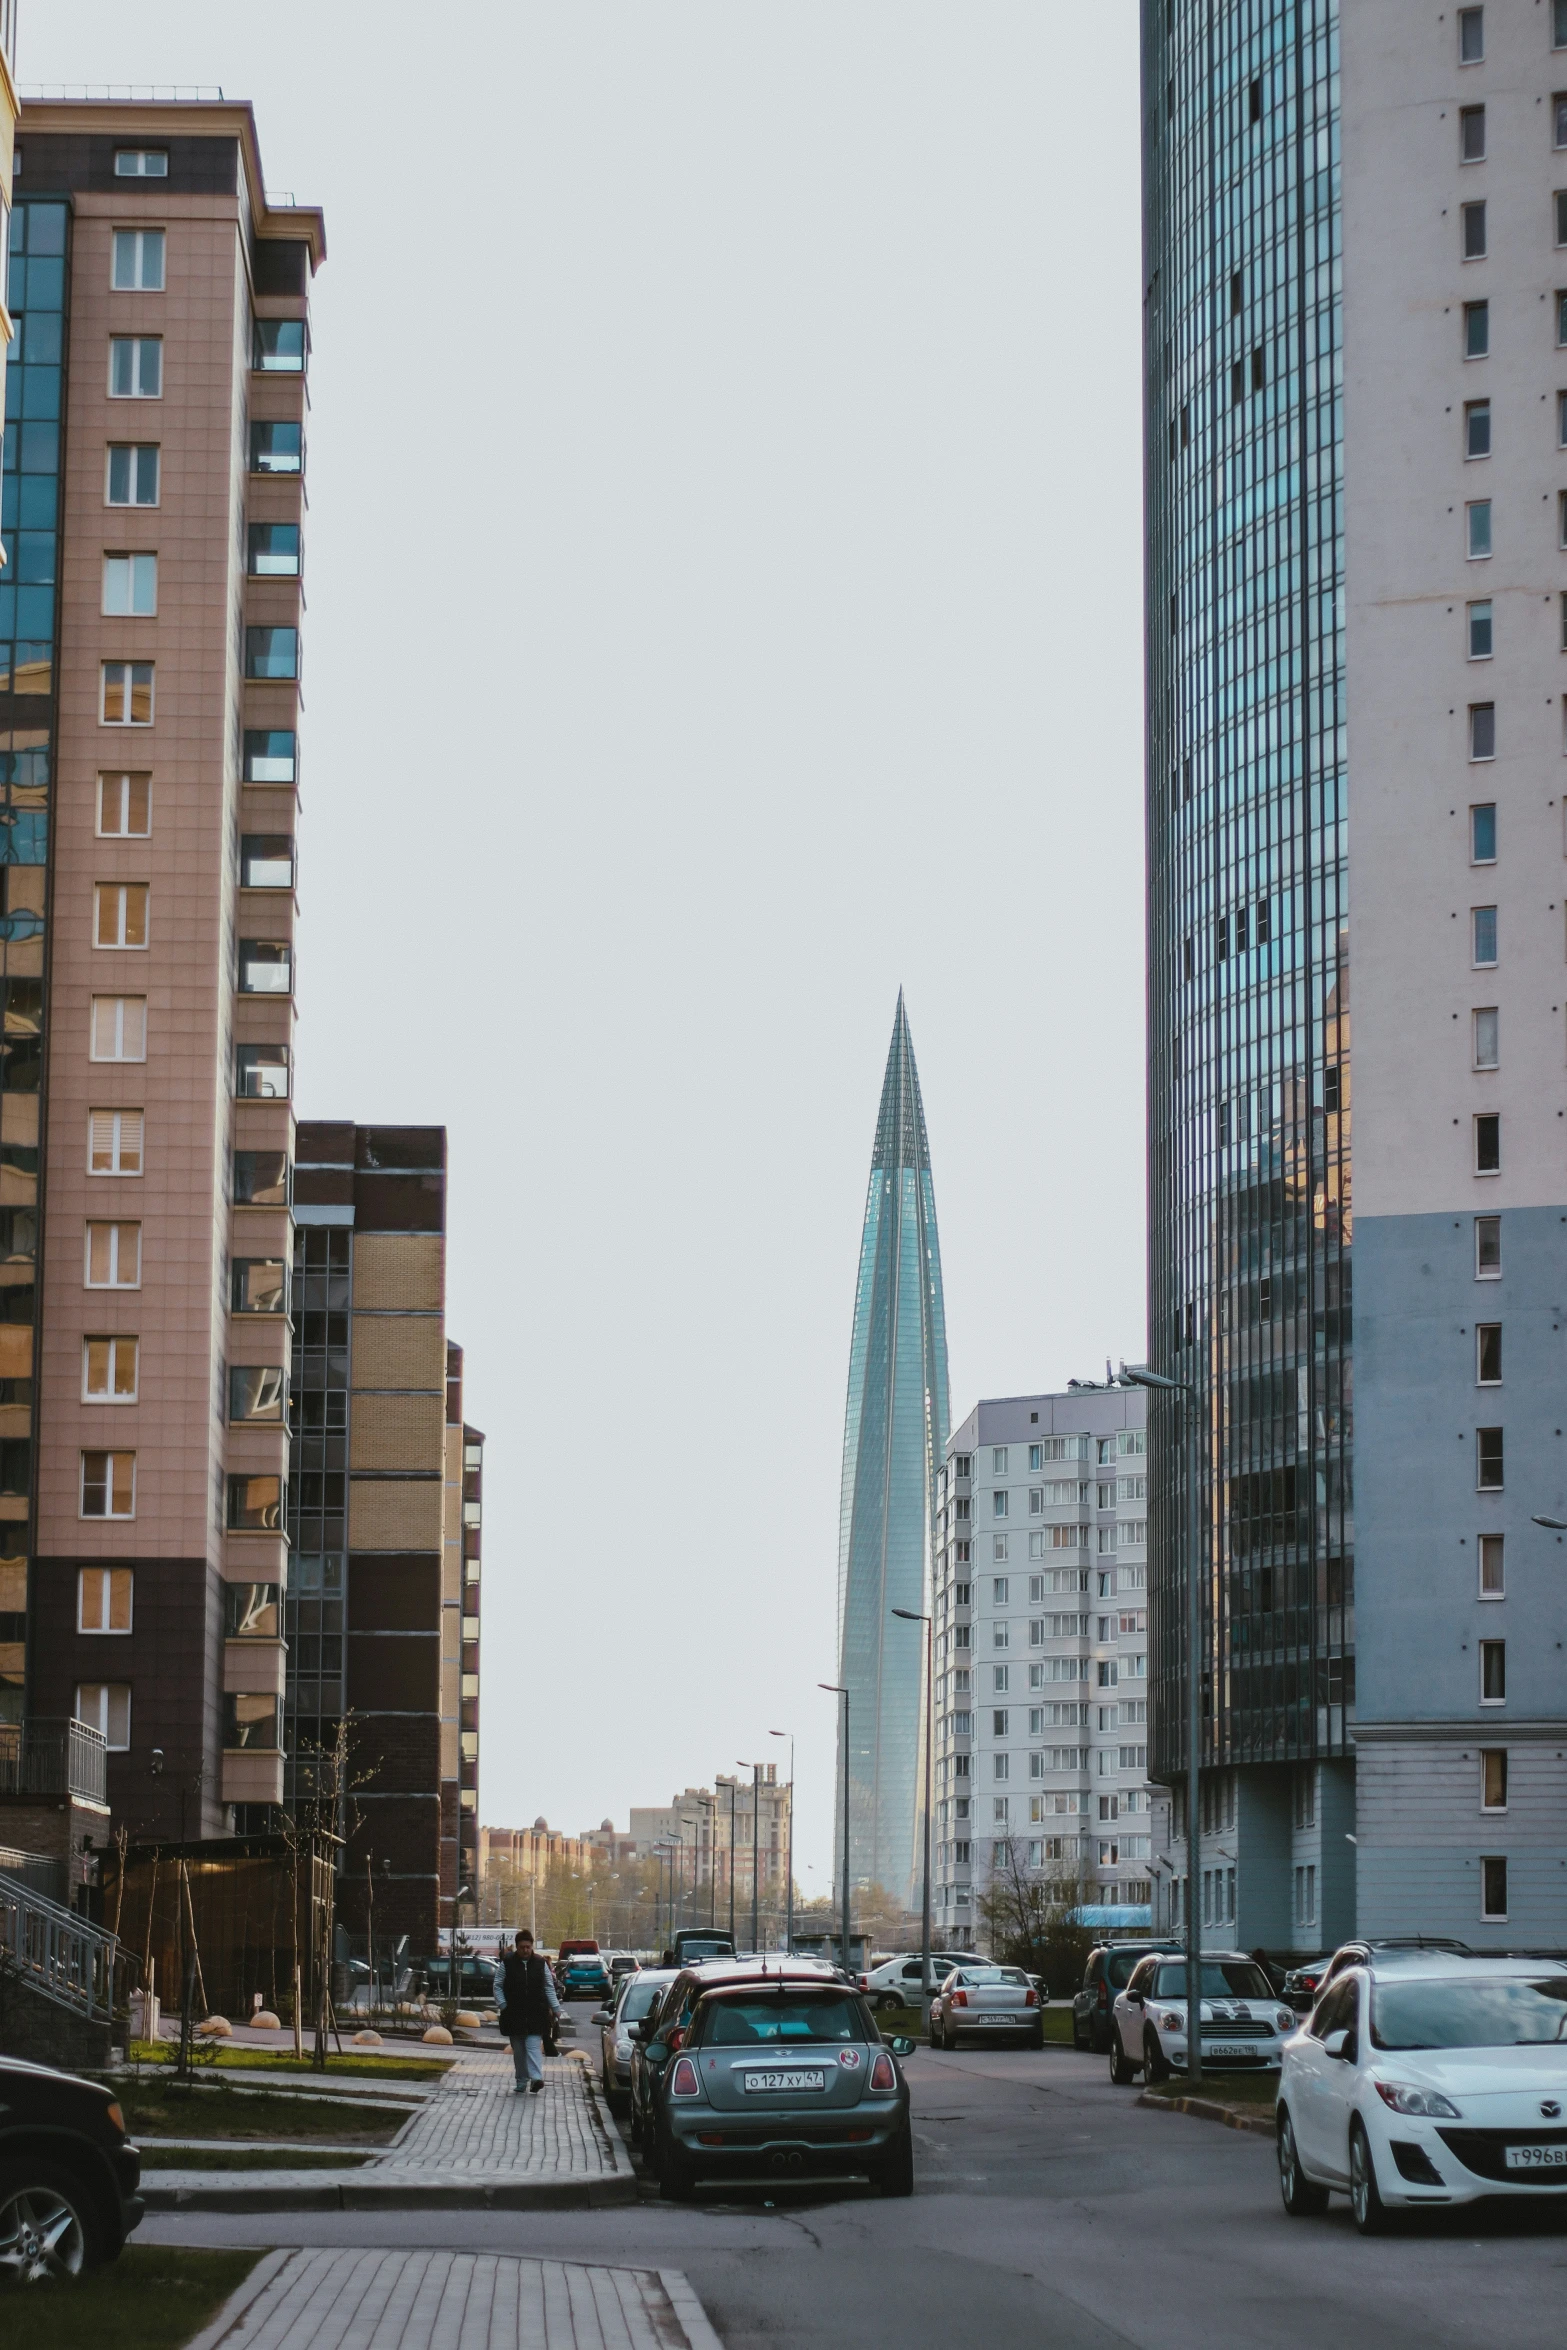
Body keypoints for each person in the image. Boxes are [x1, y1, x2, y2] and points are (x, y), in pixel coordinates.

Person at [498, 1929, 560, 2095]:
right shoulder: (507, 1963)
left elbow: (548, 1986)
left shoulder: (540, 1964)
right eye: (522, 1947)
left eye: (528, 1947)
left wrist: (555, 2007)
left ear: (532, 1946)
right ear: (517, 1947)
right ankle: (521, 2080)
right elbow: (497, 1984)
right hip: (514, 2013)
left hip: (536, 2012)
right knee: (519, 2051)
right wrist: (503, 2004)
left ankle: (536, 2078)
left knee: (533, 2046)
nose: (525, 1950)